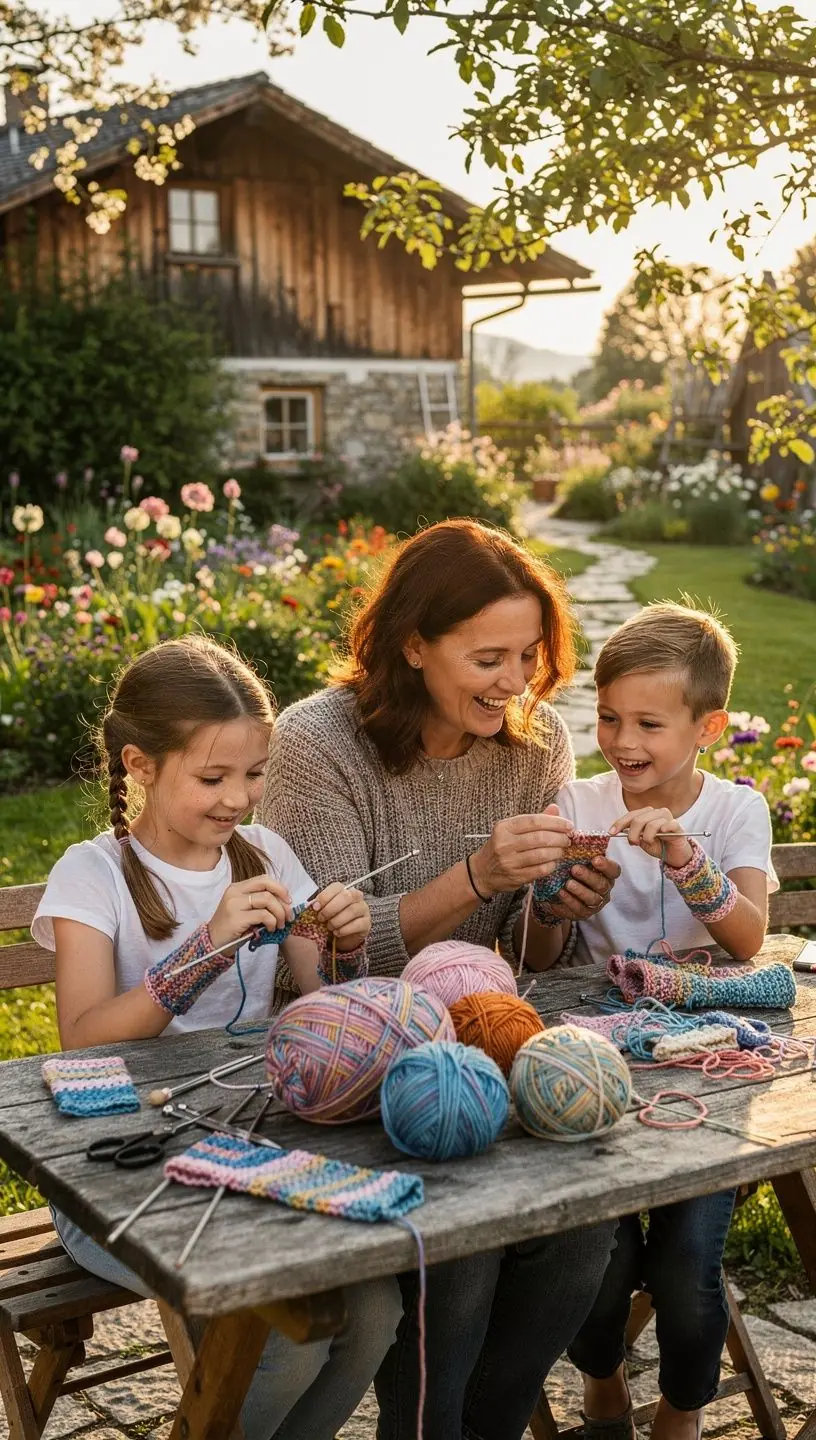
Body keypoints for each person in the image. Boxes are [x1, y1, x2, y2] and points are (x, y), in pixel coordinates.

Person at [261, 518, 620, 1440]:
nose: (515, 684)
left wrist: (558, 906)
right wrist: (477, 878)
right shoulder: (318, 745)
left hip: (477, 1058)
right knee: (461, 1246)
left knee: (583, 1223)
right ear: (414, 644)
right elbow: (335, 969)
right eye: (489, 657)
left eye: (530, 656)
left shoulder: (533, 751)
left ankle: (488, 1424)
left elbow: (527, 960)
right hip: (353, 1074)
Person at [32, 635, 401, 1440]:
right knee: (285, 1337)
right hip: (115, 1176)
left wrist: (344, 940)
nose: (240, 796)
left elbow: (326, 1002)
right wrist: (202, 950)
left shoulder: (264, 854)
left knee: (374, 1309)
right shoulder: (92, 875)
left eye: (254, 772)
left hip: (251, 1146)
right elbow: (81, 1042)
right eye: (213, 777)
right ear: (140, 763)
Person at [535, 601, 778, 1440]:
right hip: (596, 1066)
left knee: (686, 1263)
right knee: (594, 1260)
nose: (622, 740)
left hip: (706, 1070)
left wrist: (686, 857)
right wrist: (563, 899)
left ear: (707, 726)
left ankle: (681, 1409)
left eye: (647, 722)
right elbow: (541, 954)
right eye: (608, 717)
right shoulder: (577, 797)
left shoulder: (735, 811)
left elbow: (749, 938)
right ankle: (603, 1378)